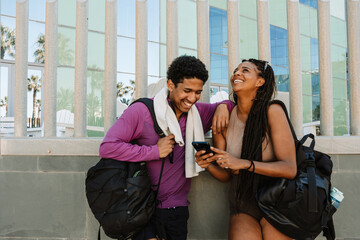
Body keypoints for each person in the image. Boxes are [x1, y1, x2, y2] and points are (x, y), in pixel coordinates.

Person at [99, 55, 233, 240]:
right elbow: (107, 147)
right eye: (187, 90)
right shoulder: (142, 111)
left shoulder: (197, 113)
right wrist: (154, 151)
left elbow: (233, 105)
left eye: (198, 92)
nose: (192, 98)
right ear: (171, 85)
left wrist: (223, 107)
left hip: (176, 208)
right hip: (140, 203)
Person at [195, 59, 297, 240]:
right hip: (243, 203)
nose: (237, 73)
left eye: (245, 70)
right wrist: (208, 165)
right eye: (236, 70)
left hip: (276, 201)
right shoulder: (224, 121)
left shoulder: (272, 111)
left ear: (260, 81)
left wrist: (243, 164)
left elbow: (289, 168)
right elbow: (227, 174)